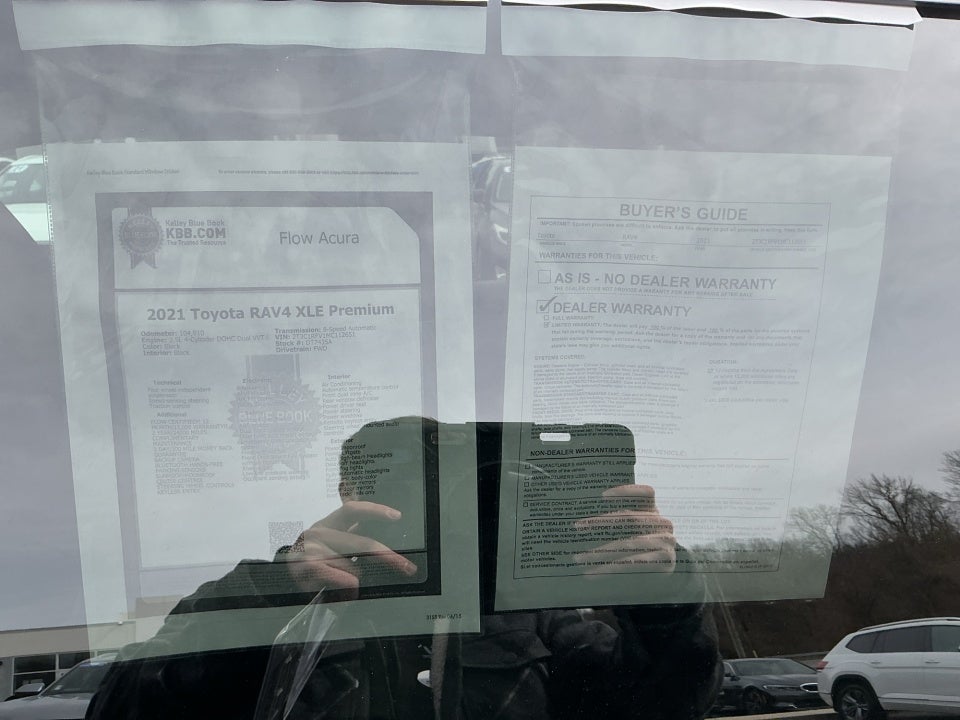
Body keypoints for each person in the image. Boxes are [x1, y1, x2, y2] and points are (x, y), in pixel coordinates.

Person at [85, 418, 722, 720]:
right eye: (411, 481)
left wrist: (666, 601)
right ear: (345, 489)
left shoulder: (525, 609)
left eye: (445, 483)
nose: (435, 503)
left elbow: (663, 706)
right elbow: (121, 711)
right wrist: (273, 592)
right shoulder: (276, 592)